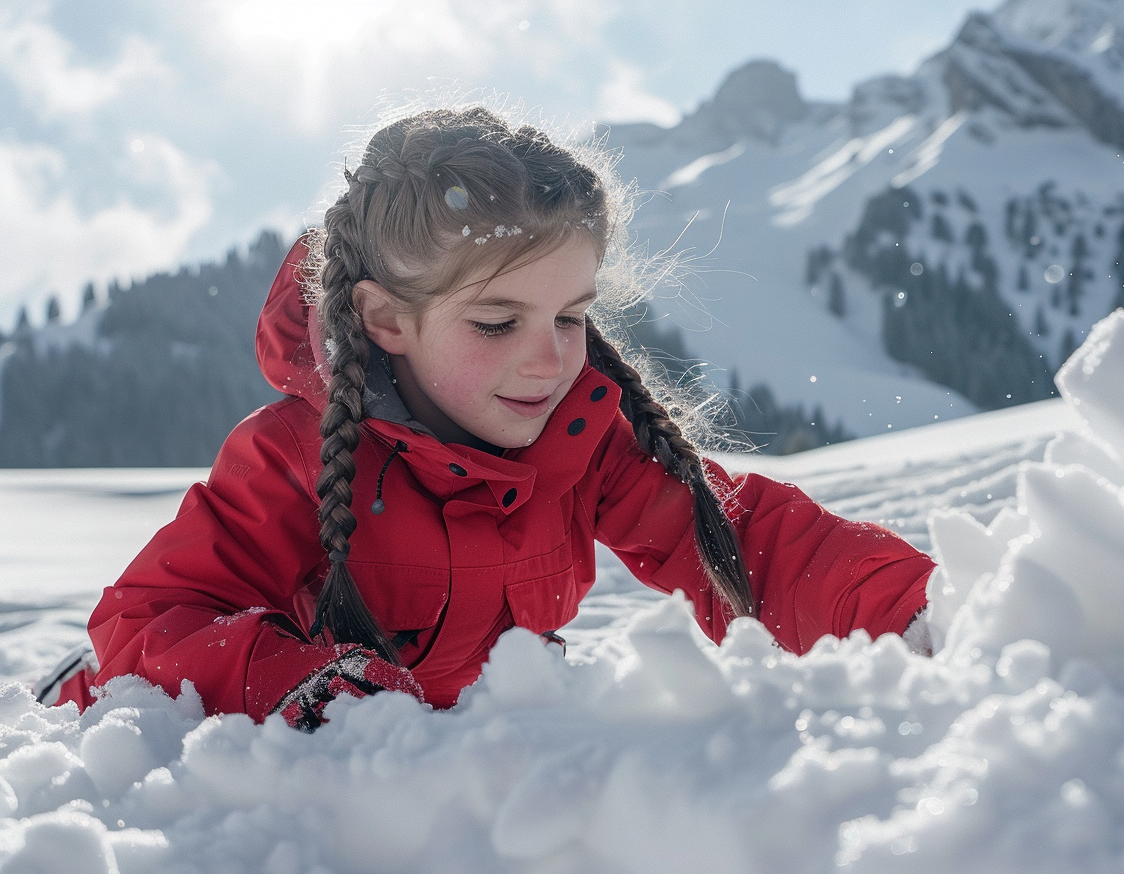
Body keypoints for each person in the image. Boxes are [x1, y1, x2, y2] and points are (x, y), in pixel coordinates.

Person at [49, 107, 934, 729]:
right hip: (160, 767)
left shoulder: (580, 445)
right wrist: (309, 687)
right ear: (387, 320)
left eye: (571, 317)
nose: (549, 359)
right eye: (497, 323)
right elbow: (146, 624)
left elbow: (743, 545)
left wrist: (916, 612)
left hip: (431, 777)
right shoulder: (294, 457)